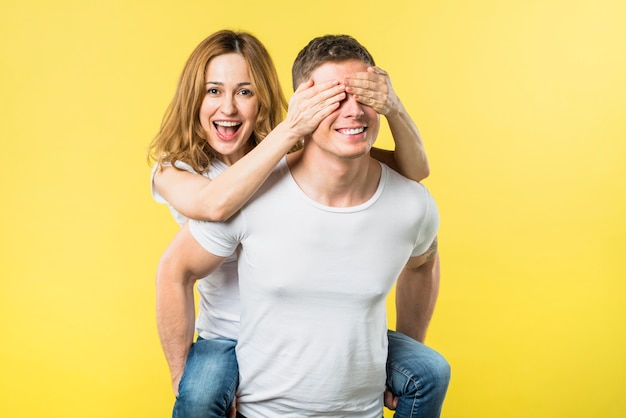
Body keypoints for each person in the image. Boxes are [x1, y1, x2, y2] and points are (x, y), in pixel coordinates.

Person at [155, 33, 449, 417]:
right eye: (213, 91)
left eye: (244, 92)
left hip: (323, 336)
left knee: (430, 372)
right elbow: (213, 205)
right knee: (196, 397)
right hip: (227, 336)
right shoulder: (182, 173)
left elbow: (413, 170)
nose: (228, 106)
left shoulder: (297, 149)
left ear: (263, 100)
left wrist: (391, 107)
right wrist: (294, 129)